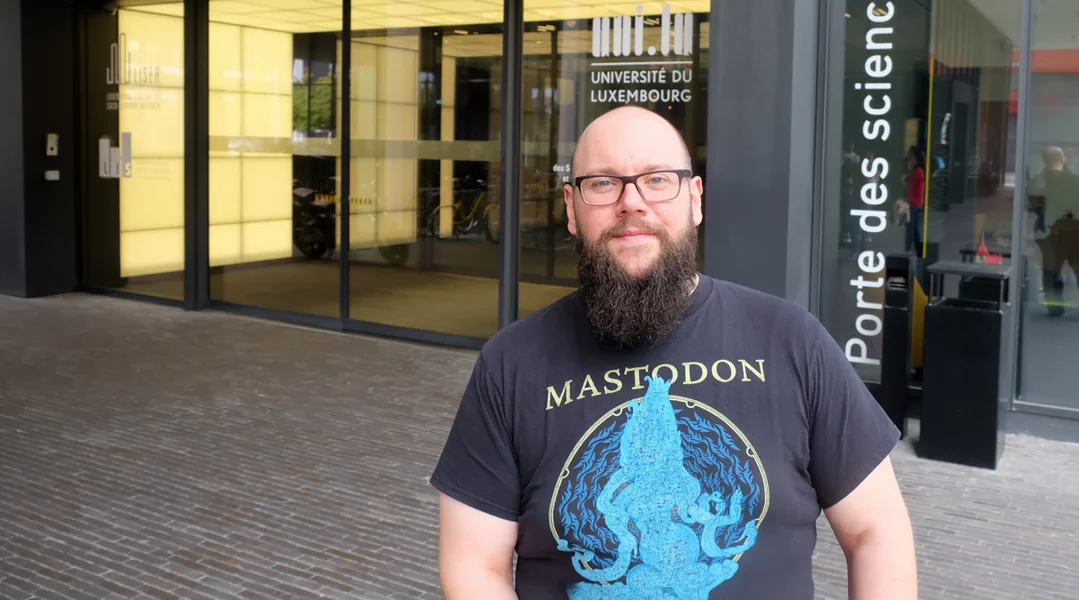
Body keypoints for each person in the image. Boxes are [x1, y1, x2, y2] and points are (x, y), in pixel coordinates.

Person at [430, 105, 917, 600]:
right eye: (603, 183)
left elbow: (876, 531)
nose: (632, 203)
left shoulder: (792, 341)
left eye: (657, 179)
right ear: (572, 209)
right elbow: (475, 565)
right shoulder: (510, 365)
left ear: (695, 199)